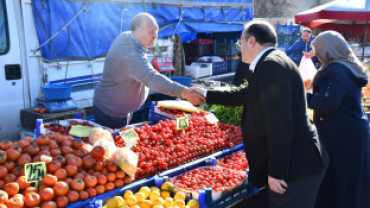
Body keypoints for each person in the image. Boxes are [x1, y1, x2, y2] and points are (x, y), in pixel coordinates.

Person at [192, 20, 329, 208]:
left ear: (252, 41)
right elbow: (244, 95)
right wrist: (205, 94)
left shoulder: (271, 66)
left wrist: (277, 172)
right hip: (297, 164)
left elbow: (279, 123)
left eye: (241, 41)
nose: (239, 46)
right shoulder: (271, 61)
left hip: (296, 168)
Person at [93, 13, 204, 128]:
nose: (155, 35)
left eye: (156, 30)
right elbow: (151, 78)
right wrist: (184, 92)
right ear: (137, 33)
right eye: (151, 31)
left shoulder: (134, 40)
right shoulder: (127, 50)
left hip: (122, 111)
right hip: (110, 114)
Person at [306, 31, 370, 208]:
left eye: (317, 49)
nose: (316, 54)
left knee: (341, 176)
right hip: (352, 129)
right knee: (352, 178)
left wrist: (305, 98)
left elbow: (327, 103)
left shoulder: (336, 70)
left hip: (343, 133)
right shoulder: (347, 64)